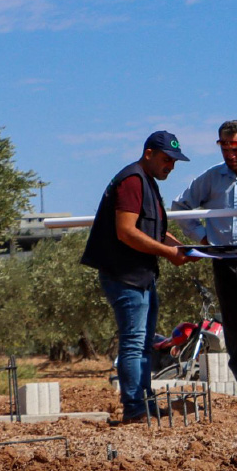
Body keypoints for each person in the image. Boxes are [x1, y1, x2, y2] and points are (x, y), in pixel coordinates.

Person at [80, 131, 192, 423]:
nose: (171, 166)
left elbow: (149, 229)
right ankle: (135, 409)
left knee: (143, 345)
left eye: (175, 161)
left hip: (141, 277)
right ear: (149, 154)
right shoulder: (132, 181)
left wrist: (177, 245)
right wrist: (169, 253)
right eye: (167, 159)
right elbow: (126, 231)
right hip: (125, 277)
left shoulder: (146, 181)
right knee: (133, 343)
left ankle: (143, 404)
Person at [171, 119, 237, 411]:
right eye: (224, 148)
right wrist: (202, 236)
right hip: (225, 266)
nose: (230, 155)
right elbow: (179, 208)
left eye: (235, 148)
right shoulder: (212, 177)